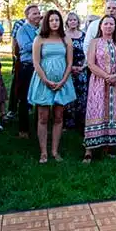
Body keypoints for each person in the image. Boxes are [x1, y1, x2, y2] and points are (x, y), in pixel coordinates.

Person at [28, 9, 76, 163]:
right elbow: (36, 62)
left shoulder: (66, 39)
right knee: (43, 117)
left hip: (63, 81)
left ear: (61, 22)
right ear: (46, 22)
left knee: (58, 116)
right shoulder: (39, 39)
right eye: (51, 20)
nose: (54, 23)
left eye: (57, 20)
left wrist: (62, 81)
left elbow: (70, 62)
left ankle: (55, 150)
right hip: (43, 81)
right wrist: (46, 80)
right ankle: (43, 152)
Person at [84, 15, 116, 162]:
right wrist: (106, 76)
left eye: (111, 24)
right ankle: (89, 149)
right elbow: (91, 64)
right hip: (99, 83)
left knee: (113, 113)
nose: (109, 26)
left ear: (115, 27)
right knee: (97, 111)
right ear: (101, 26)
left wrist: (115, 75)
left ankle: (110, 146)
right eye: (106, 24)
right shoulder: (95, 42)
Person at [15, 4, 43, 138]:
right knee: (24, 98)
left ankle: (40, 127)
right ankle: (23, 129)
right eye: (34, 13)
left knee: (40, 98)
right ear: (27, 16)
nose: (37, 15)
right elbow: (26, 47)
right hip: (27, 67)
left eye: (38, 13)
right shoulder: (22, 30)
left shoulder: (42, 29)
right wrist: (41, 42)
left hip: (40, 67)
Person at [63, 12, 89, 130]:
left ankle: (81, 121)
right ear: (66, 22)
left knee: (82, 95)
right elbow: (61, 54)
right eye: (70, 20)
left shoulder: (84, 35)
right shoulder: (63, 36)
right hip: (67, 69)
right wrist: (71, 67)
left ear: (78, 22)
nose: (73, 22)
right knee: (69, 96)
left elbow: (88, 52)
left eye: (75, 20)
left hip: (82, 68)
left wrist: (83, 66)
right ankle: (68, 122)